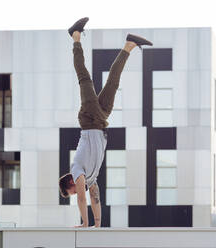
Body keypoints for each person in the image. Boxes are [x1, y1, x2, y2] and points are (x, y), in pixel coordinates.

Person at [58, 17, 153, 228]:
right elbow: (95, 199)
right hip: (100, 122)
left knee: (84, 78)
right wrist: (97, 224)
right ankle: (129, 45)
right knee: (113, 82)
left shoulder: (77, 171)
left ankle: (75, 36)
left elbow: (83, 199)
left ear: (70, 184)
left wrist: (84, 223)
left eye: (71, 193)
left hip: (90, 119)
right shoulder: (91, 179)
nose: (75, 195)